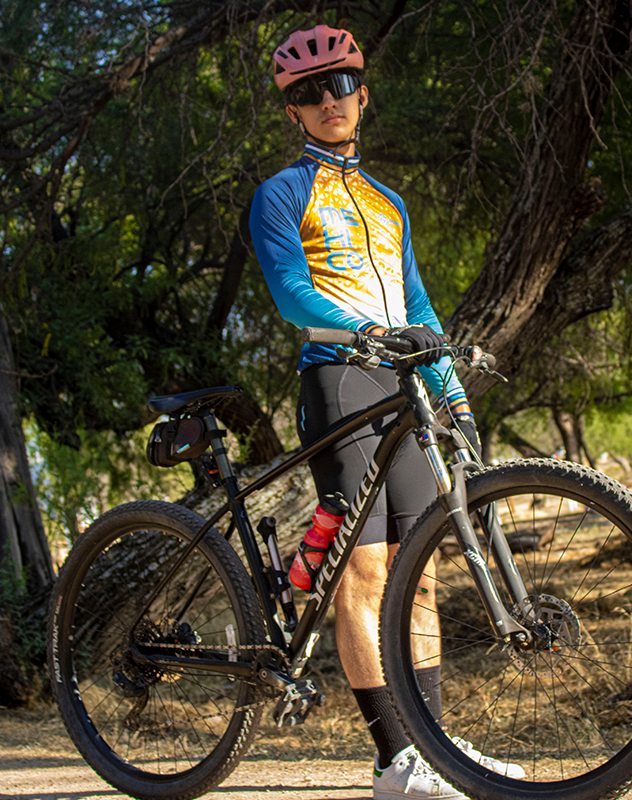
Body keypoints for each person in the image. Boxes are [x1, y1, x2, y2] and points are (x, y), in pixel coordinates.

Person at [250, 24, 518, 799]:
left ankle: (432, 751)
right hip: (339, 375)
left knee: (419, 573)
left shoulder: (388, 203)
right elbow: (289, 293)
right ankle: (392, 760)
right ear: (293, 113)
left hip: (405, 385)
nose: (327, 100)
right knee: (364, 571)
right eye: (308, 92)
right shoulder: (282, 193)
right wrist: (364, 331)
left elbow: (419, 305)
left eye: (339, 86)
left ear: (362, 95)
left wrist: (455, 395)